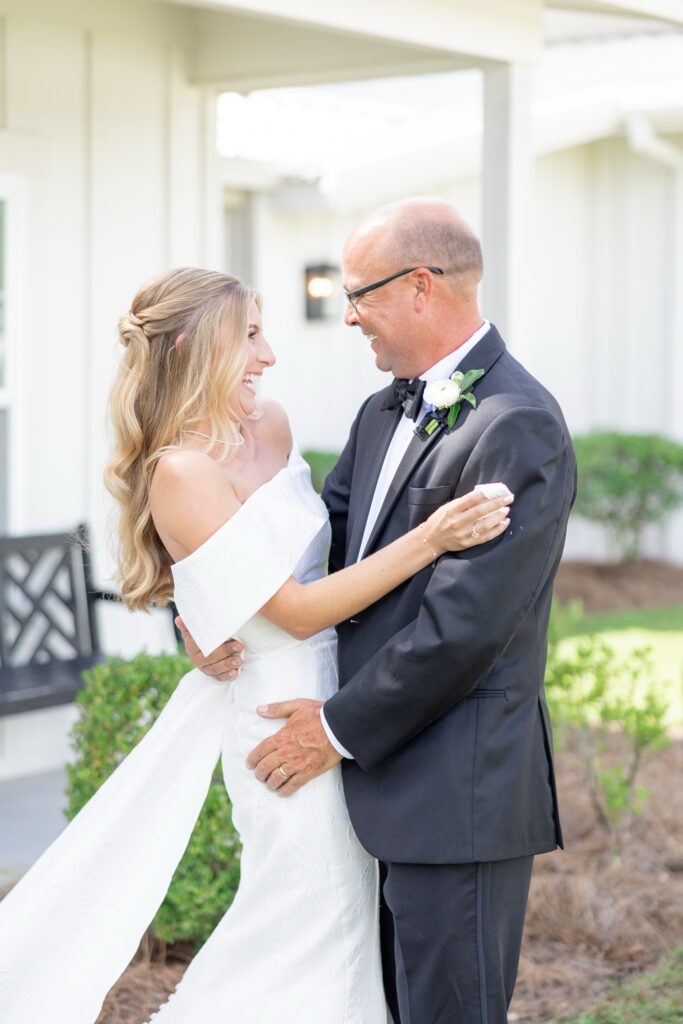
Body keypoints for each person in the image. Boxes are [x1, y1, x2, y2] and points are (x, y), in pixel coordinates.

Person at [0, 267, 512, 1023]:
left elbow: (329, 544)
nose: (269, 355)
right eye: (248, 335)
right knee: (309, 915)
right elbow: (297, 611)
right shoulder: (180, 472)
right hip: (276, 718)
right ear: (191, 345)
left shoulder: (268, 425)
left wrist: (205, 614)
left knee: (346, 919)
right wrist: (433, 540)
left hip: (343, 699)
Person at [189, 199, 577, 1024]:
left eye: (355, 293)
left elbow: (465, 628)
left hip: (455, 794)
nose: (349, 314)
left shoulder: (519, 423)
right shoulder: (379, 412)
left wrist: (329, 730)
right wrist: (203, 610)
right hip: (367, 792)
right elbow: (303, 547)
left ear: (420, 287)